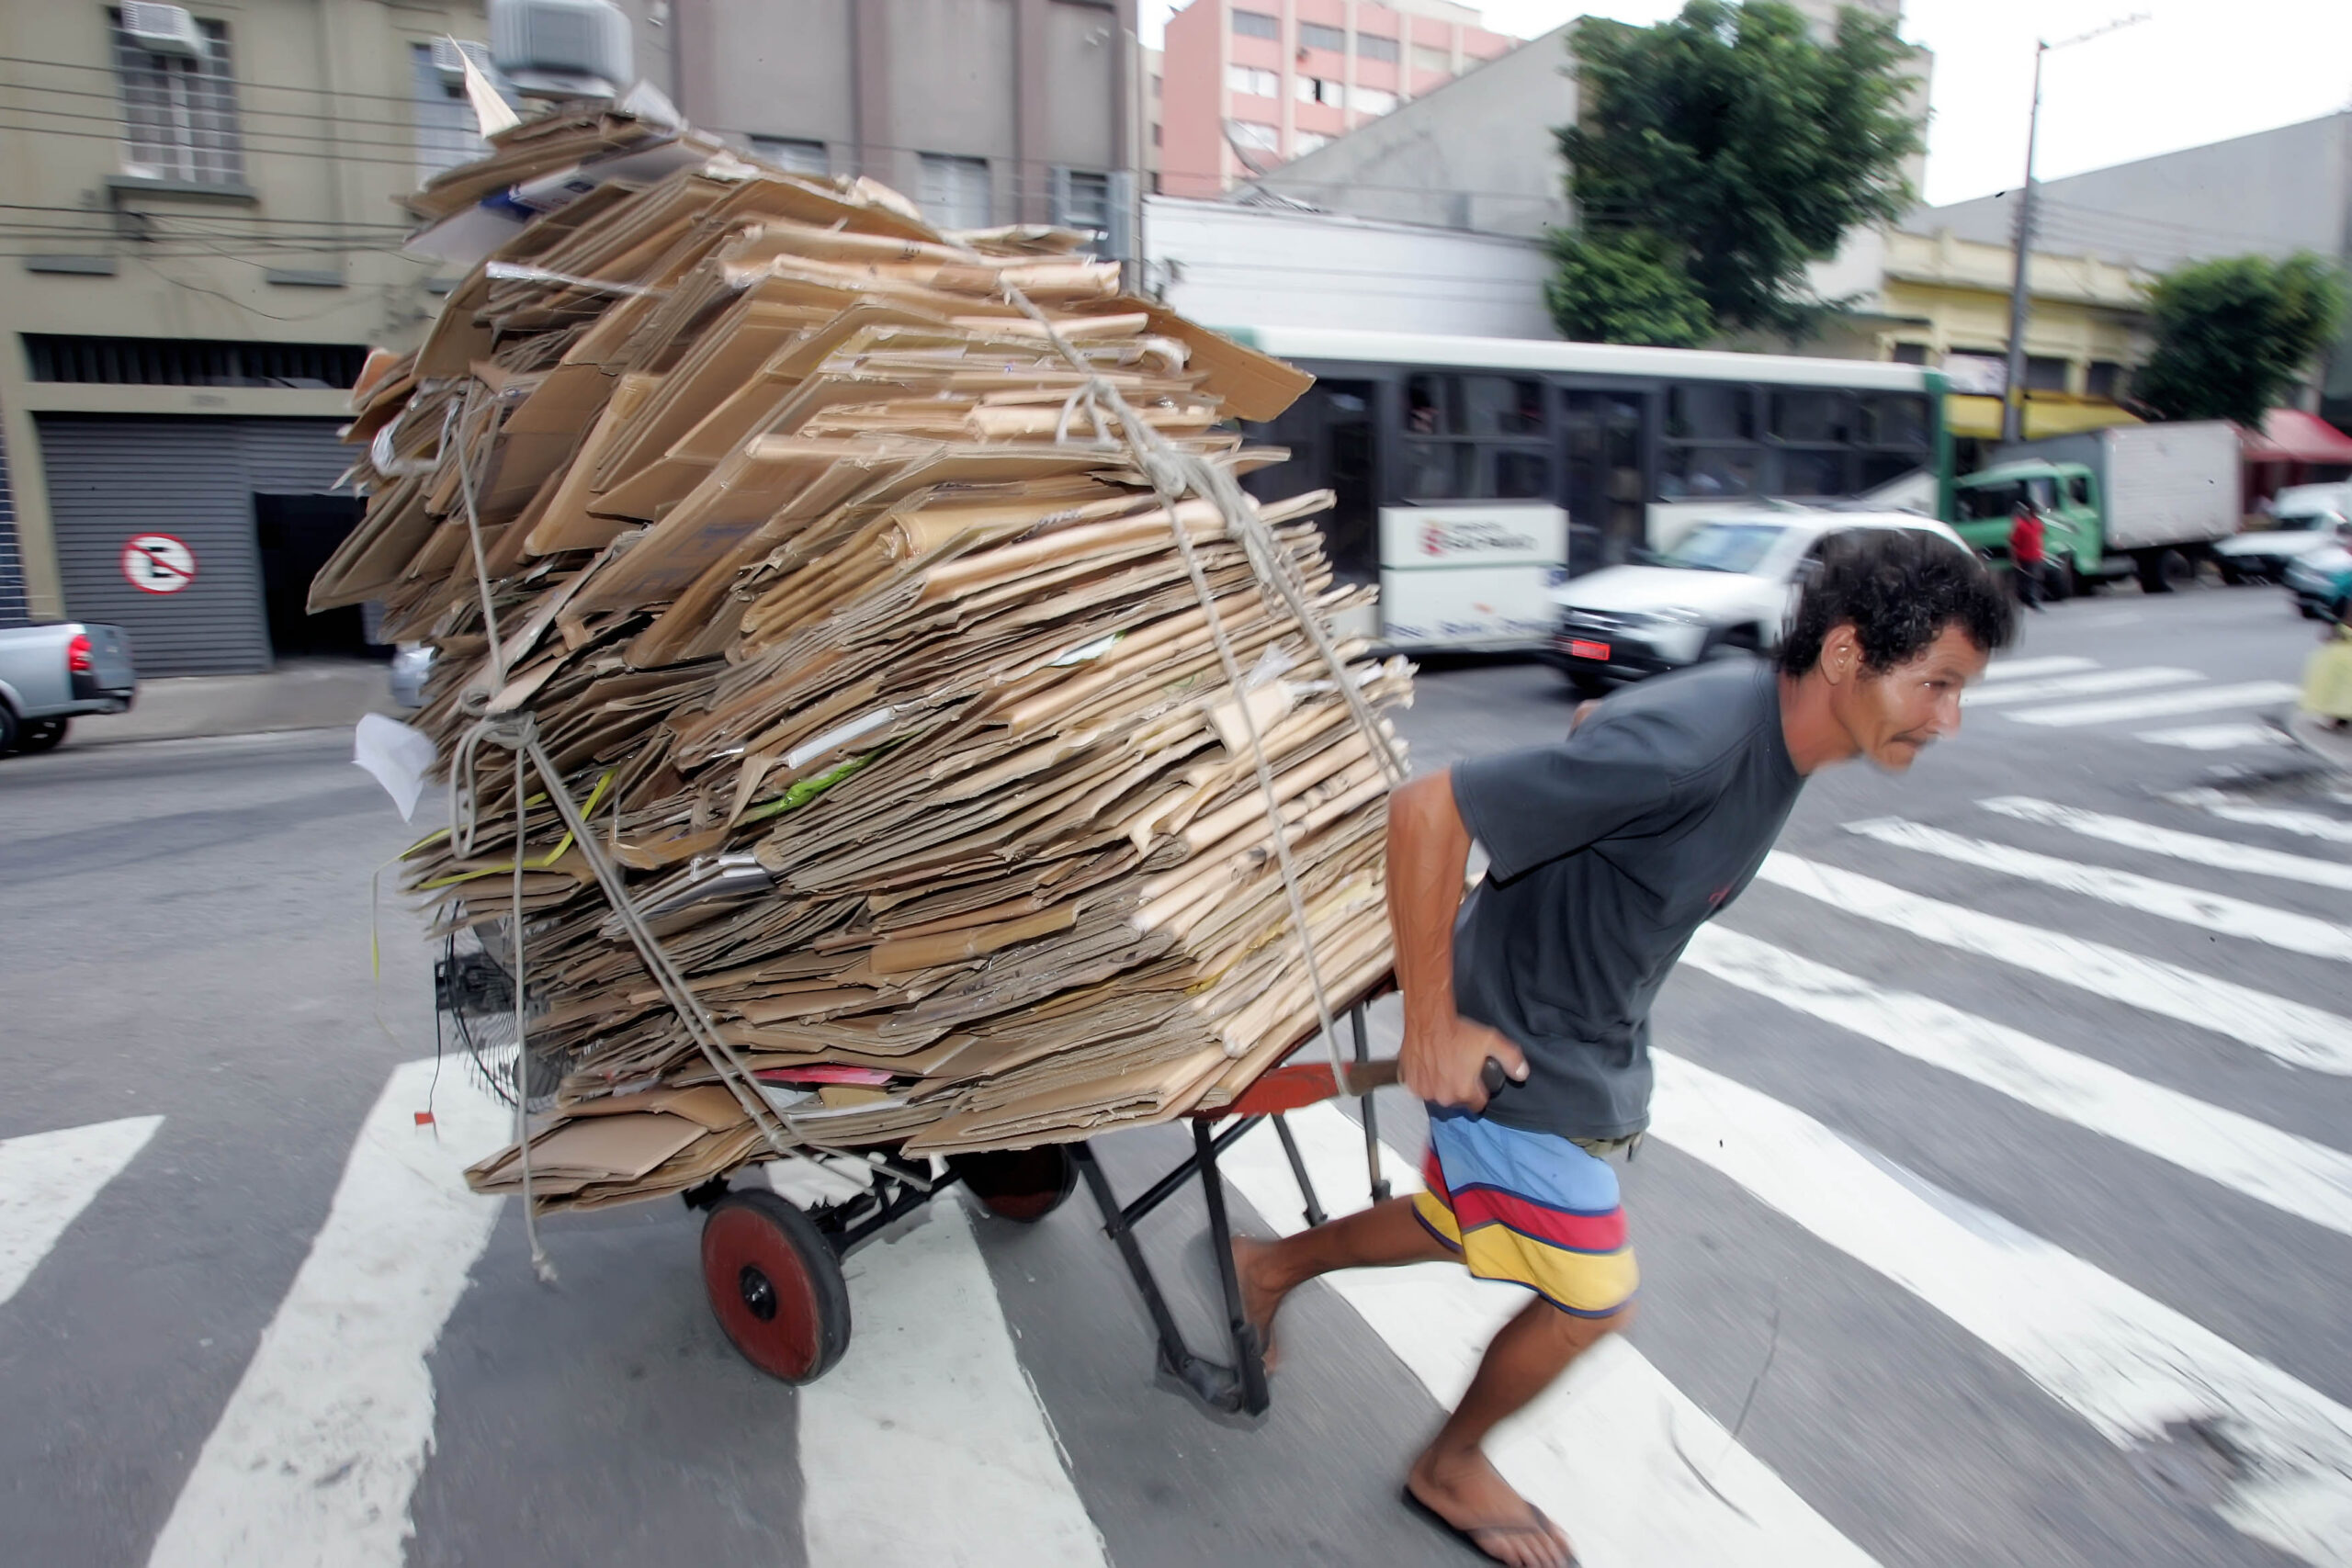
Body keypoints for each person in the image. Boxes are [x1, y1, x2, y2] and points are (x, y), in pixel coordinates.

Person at [1233, 529, 2017, 1568]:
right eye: (1938, 685)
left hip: (1589, 1032)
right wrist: (1431, 1024)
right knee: (1591, 1296)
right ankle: (1449, 1463)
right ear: (1843, 656)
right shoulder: (1706, 740)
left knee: (1466, 1222)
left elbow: (1611, 746)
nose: (1949, 719)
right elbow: (1428, 809)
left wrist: (1593, 751)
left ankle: (1267, 1266)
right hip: (1517, 1045)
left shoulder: (1769, 731)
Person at [2009, 502, 2047, 612]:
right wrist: (2014, 560)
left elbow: (2043, 532)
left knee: (2036, 579)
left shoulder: (2037, 523)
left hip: (2037, 556)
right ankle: (2029, 601)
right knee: (2027, 580)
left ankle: (2033, 600)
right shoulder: (2020, 525)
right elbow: (2013, 543)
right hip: (2024, 557)